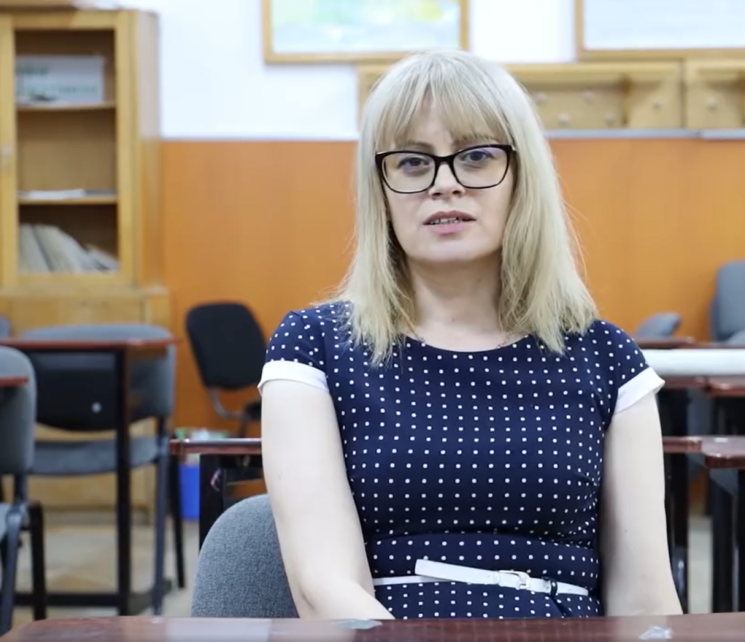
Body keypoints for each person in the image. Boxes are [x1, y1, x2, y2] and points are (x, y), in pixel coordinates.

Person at [258, 48, 680, 620]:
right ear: (380, 190)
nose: (444, 184)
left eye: (476, 156)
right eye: (413, 162)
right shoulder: (314, 347)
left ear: (522, 178)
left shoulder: (605, 357)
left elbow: (645, 598)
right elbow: (324, 585)